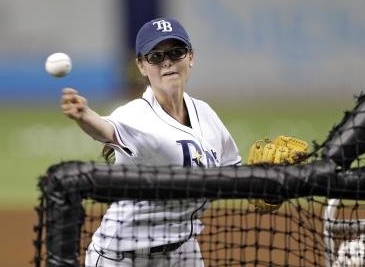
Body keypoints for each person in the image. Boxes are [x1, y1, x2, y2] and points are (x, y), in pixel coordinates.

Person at [60, 17, 241, 267]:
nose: (167, 61)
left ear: (191, 57)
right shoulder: (136, 114)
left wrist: (269, 186)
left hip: (183, 253)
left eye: (176, 52)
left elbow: (235, 171)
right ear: (142, 66)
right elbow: (106, 130)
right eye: (155, 56)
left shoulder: (206, 113)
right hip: (123, 257)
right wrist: (84, 115)